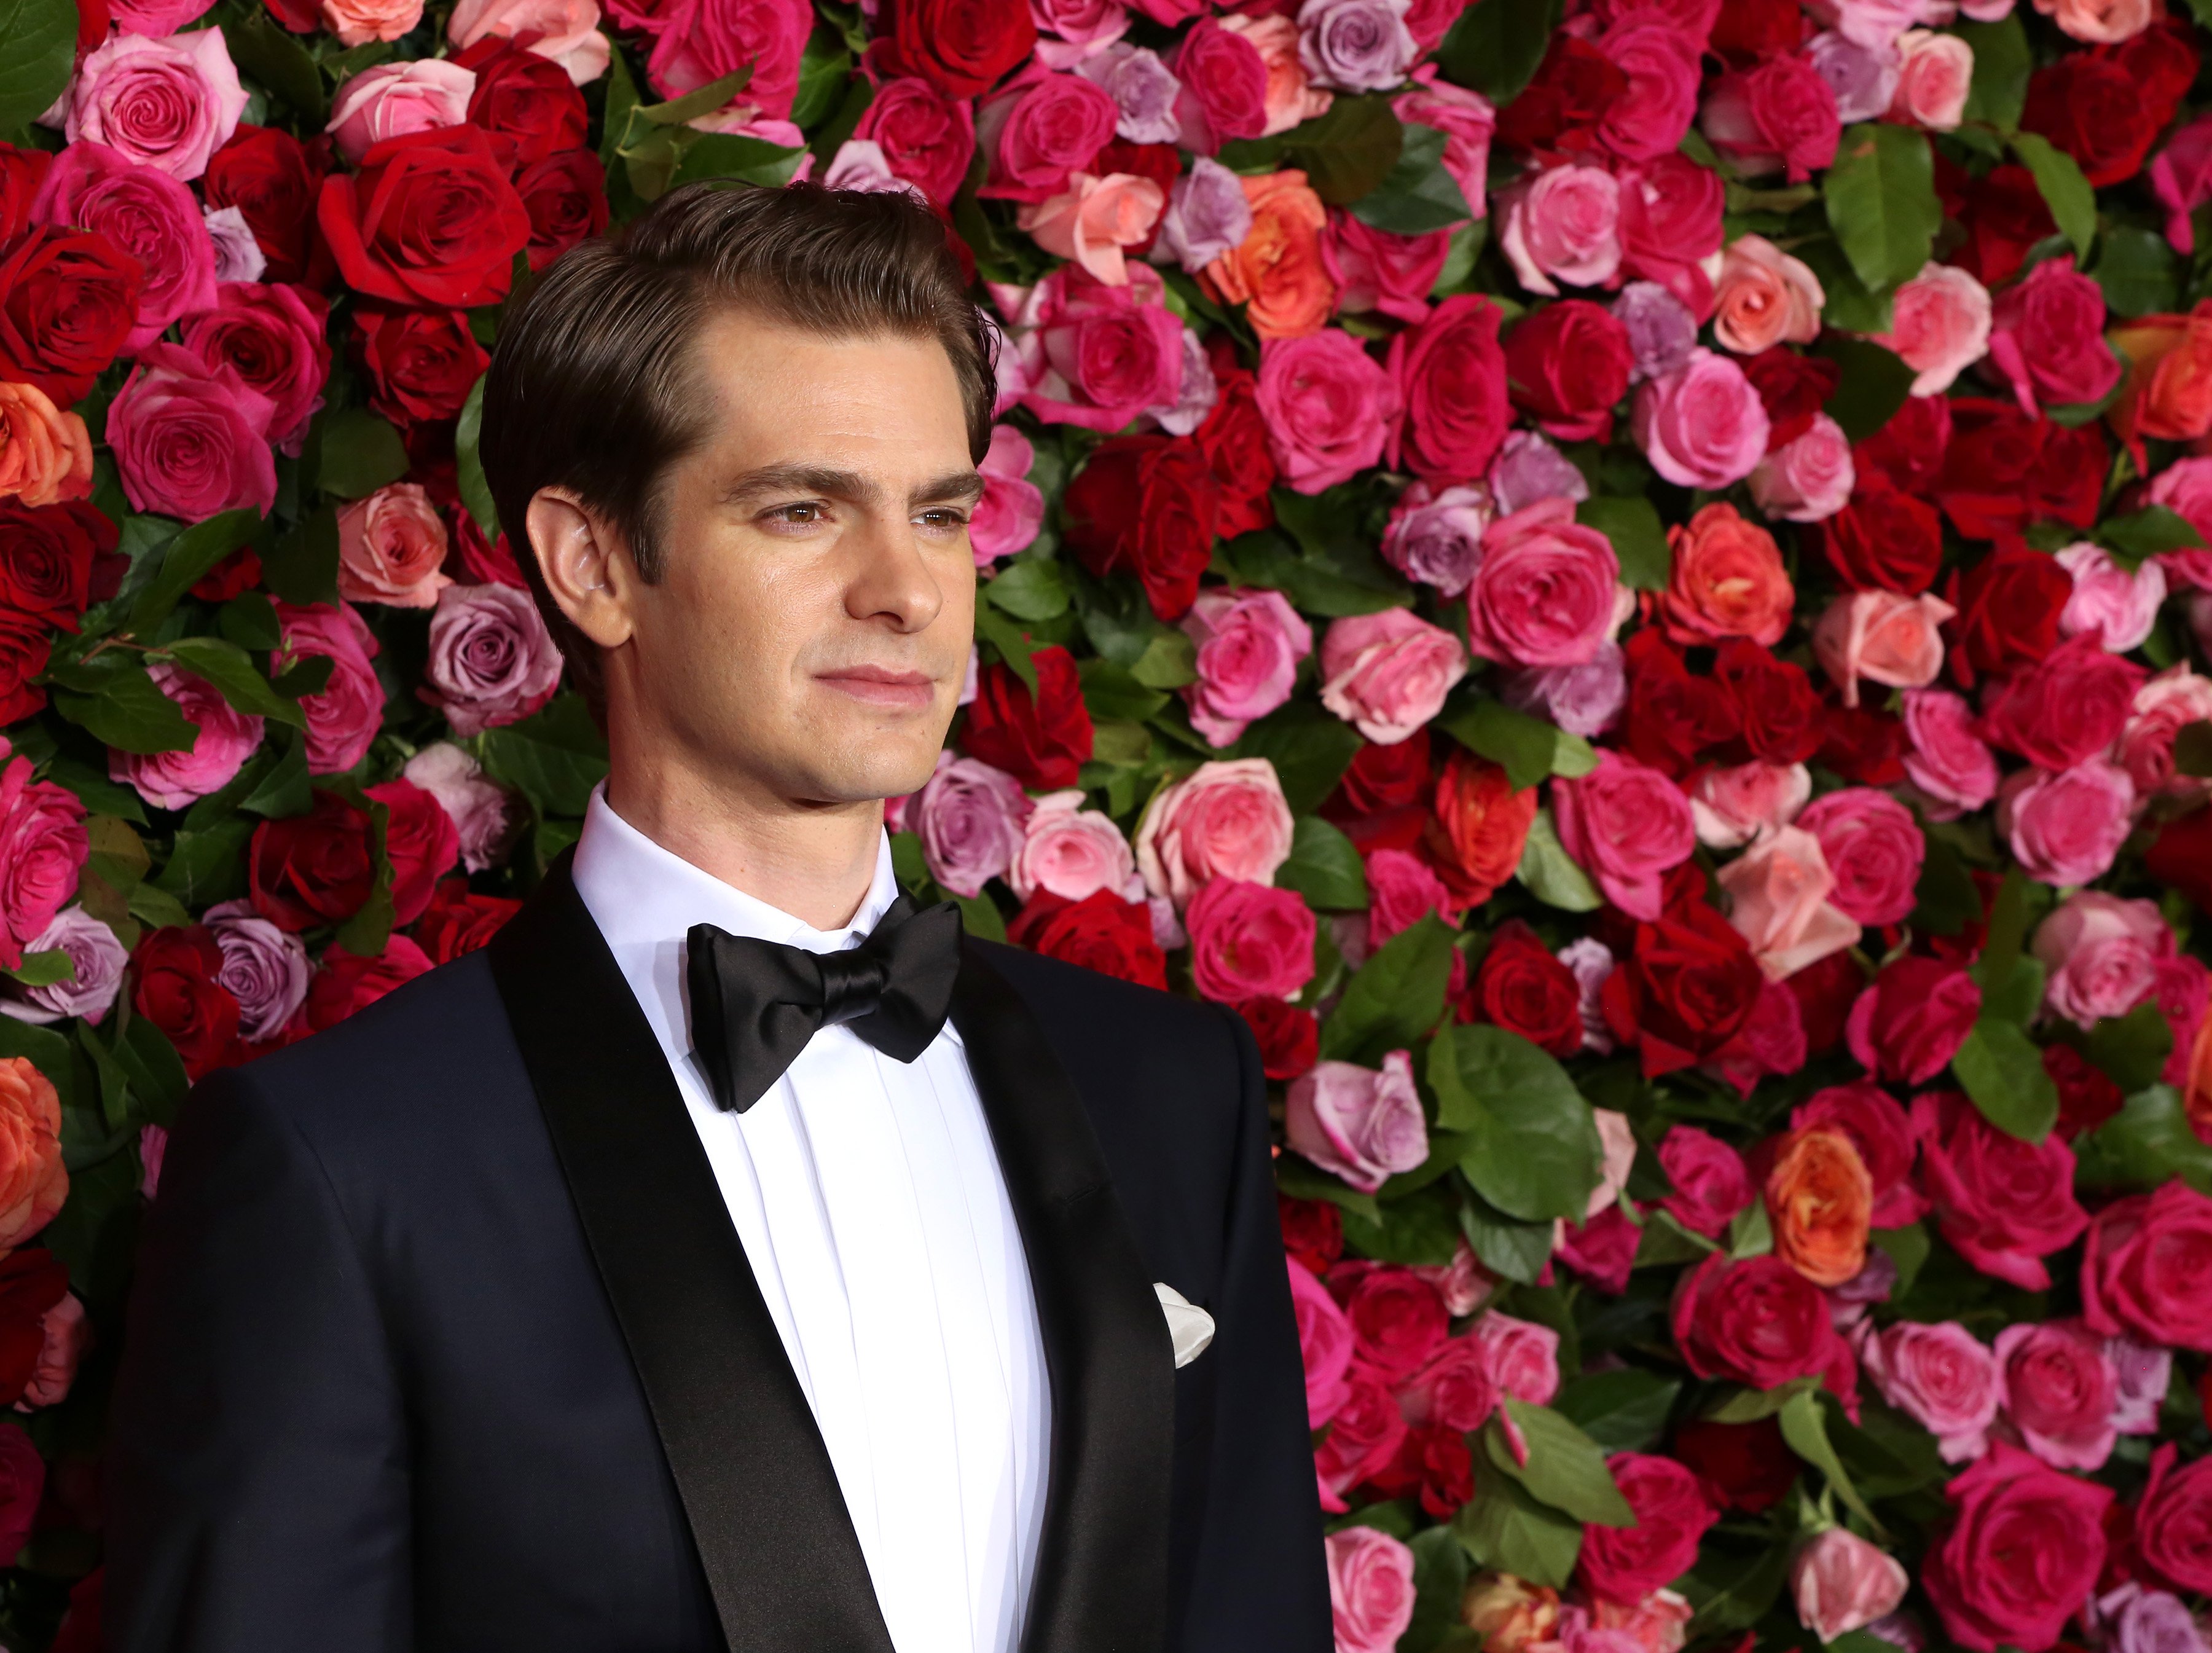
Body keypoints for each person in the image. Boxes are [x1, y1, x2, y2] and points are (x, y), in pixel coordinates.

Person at [103, 182, 1329, 1652]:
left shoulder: (1171, 1088)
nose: (905, 591)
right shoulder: (347, 1164)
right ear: (595, 565)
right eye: (803, 510)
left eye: (940, 514)